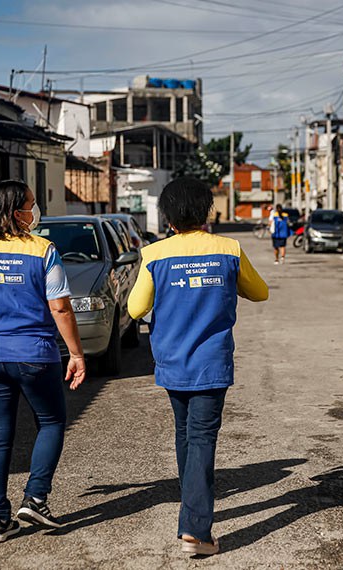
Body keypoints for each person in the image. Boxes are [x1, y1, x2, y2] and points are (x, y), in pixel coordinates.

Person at [128, 177, 268, 556]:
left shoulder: (154, 254)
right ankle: (196, 530)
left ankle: (191, 507)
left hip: (172, 361)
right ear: (207, 211)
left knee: (185, 433)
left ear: (168, 217)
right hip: (211, 363)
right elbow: (259, 292)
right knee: (202, 438)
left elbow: (136, 308)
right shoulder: (229, 249)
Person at [0, 179, 87, 543]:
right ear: (14, 212)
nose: (34, 211)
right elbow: (60, 307)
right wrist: (76, 353)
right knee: (52, 421)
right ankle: (36, 498)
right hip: (34, 354)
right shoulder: (43, 250)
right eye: (30, 204)